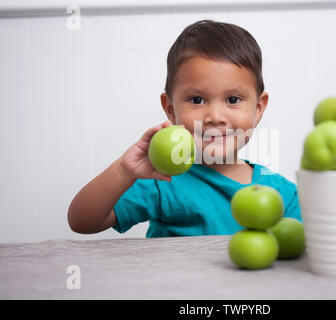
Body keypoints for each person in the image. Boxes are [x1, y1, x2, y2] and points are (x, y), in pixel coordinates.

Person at [68, 19, 301, 238]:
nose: (215, 117)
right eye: (197, 100)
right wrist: (123, 171)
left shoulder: (283, 194)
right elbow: (82, 222)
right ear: (170, 109)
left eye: (232, 99)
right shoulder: (161, 182)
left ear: (258, 109)